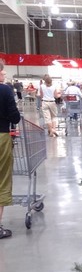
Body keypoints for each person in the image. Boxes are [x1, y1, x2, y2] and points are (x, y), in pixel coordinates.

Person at [0, 60, 21, 238]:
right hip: (1, 137)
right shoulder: (5, 90)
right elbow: (14, 117)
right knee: (1, 181)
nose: (4, 74)